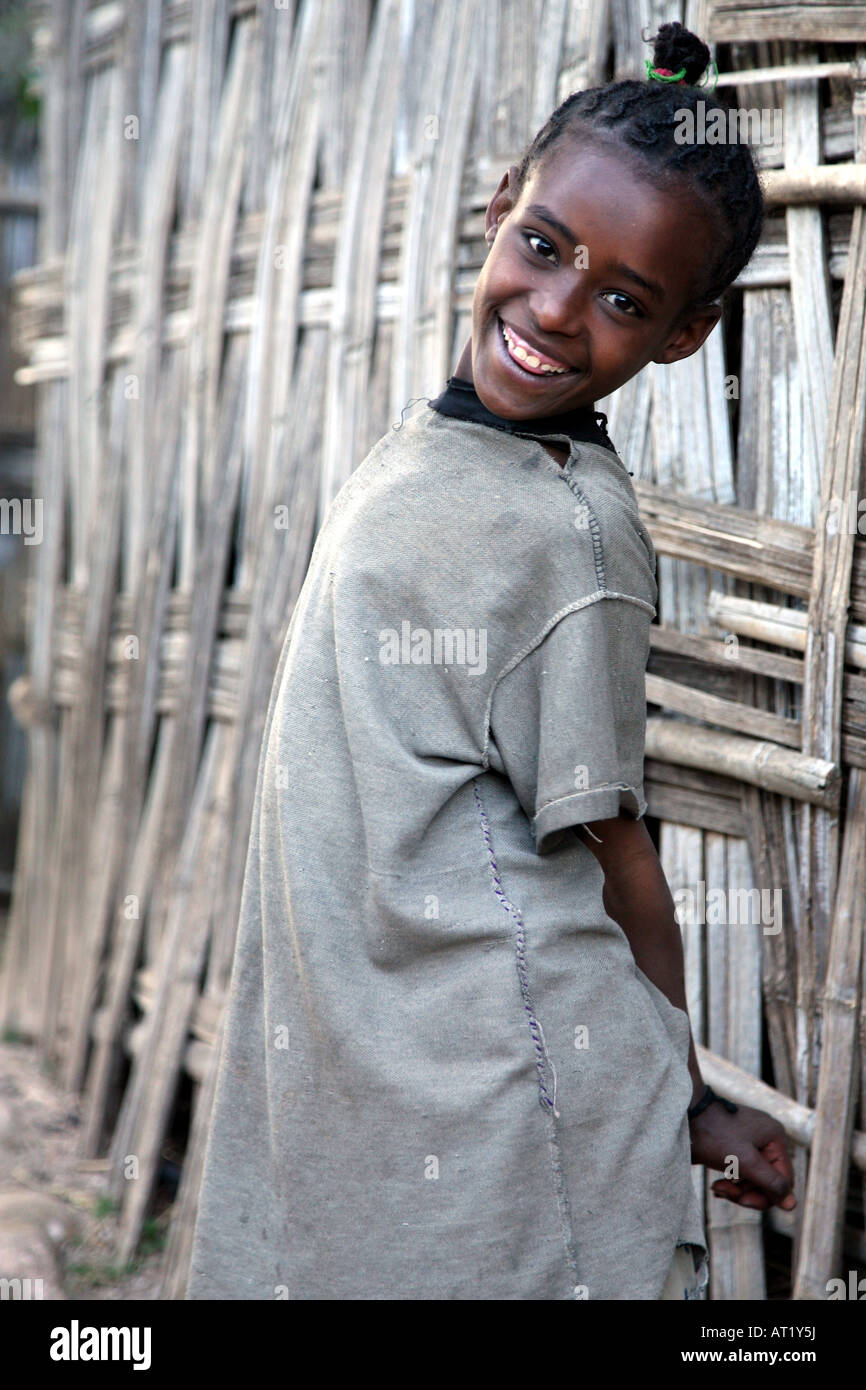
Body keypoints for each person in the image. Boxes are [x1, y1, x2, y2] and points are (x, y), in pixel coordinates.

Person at [186, 20, 796, 1302]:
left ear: (683, 337)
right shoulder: (448, 446)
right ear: (494, 210)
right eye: (544, 246)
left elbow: (613, 843)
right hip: (406, 1055)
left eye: (624, 299)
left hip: (510, 1093)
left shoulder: (564, 532)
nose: (557, 311)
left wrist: (676, 1089)